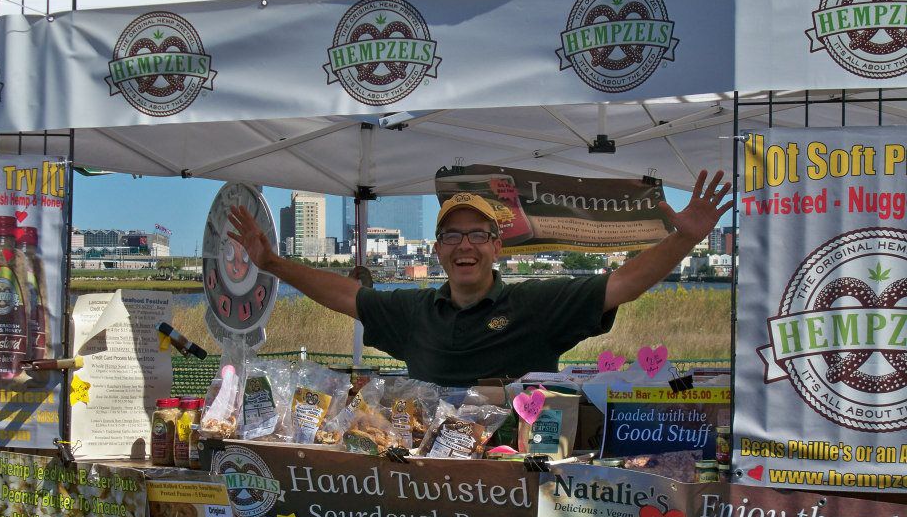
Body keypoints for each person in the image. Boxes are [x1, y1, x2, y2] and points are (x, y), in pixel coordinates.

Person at [228, 170, 733, 386]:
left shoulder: (538, 306)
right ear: (437, 251)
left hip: (515, 483)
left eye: (477, 235)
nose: (464, 246)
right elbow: (348, 296)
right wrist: (273, 264)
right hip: (432, 477)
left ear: (496, 245)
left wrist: (683, 240)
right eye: (451, 237)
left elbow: (621, 283)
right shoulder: (415, 313)